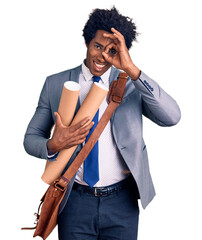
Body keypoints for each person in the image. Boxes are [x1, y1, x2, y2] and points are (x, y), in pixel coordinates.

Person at [24, 6, 181, 240]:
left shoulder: (131, 85)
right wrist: (53, 145)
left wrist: (131, 69)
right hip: (74, 201)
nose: (102, 56)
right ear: (87, 43)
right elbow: (30, 139)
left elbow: (172, 117)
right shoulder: (55, 84)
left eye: (112, 50)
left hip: (122, 201)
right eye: (98, 46)